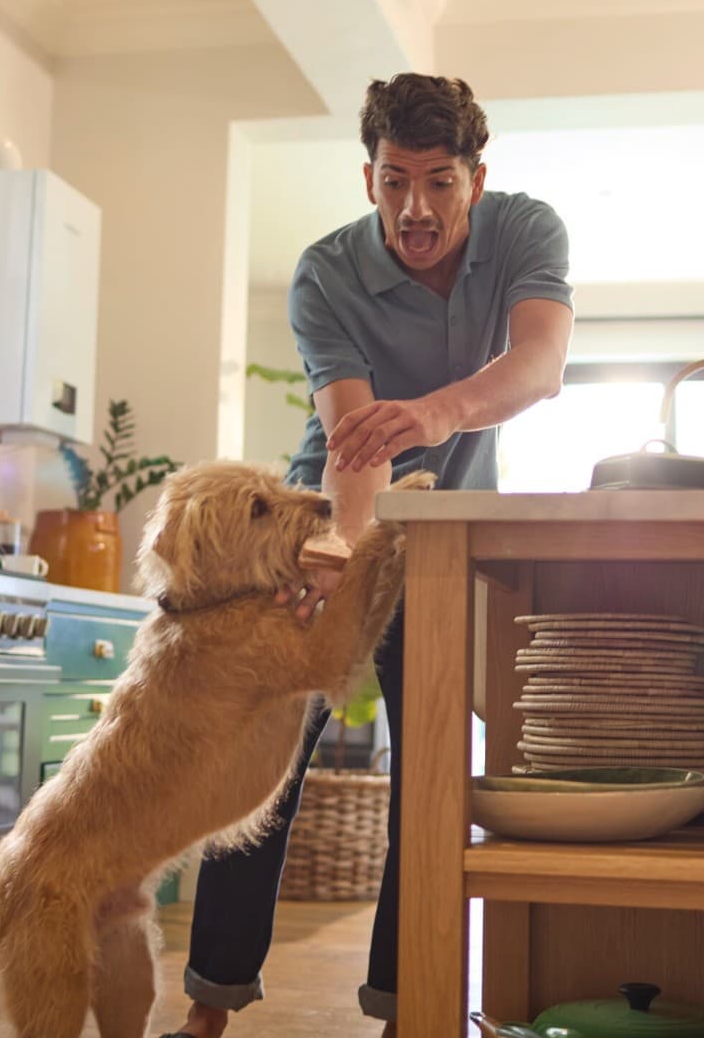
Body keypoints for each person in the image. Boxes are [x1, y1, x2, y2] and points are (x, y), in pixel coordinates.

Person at [163, 73, 573, 1038]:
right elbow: (352, 437)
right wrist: (338, 551)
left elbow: (541, 365)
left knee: (427, 780)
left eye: (439, 182)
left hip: (447, 548)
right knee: (257, 766)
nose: (415, 209)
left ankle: (404, 1011)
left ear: (476, 179)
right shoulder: (328, 271)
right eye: (394, 182)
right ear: (368, 178)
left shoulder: (525, 231)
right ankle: (209, 1007)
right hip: (322, 533)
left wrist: (433, 413)